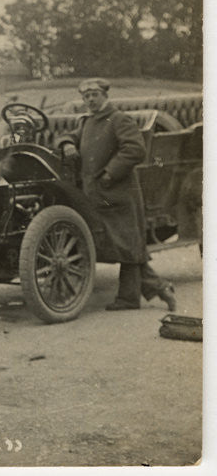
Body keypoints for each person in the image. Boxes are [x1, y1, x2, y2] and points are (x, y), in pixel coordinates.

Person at [57, 78, 177, 312]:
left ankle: (139, 295)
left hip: (119, 194)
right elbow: (67, 135)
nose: (90, 100)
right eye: (86, 96)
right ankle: (148, 292)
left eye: (95, 95)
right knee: (126, 246)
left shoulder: (118, 119)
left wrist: (110, 174)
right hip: (98, 196)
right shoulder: (88, 122)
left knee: (127, 246)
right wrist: (66, 144)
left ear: (105, 95)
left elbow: (135, 150)